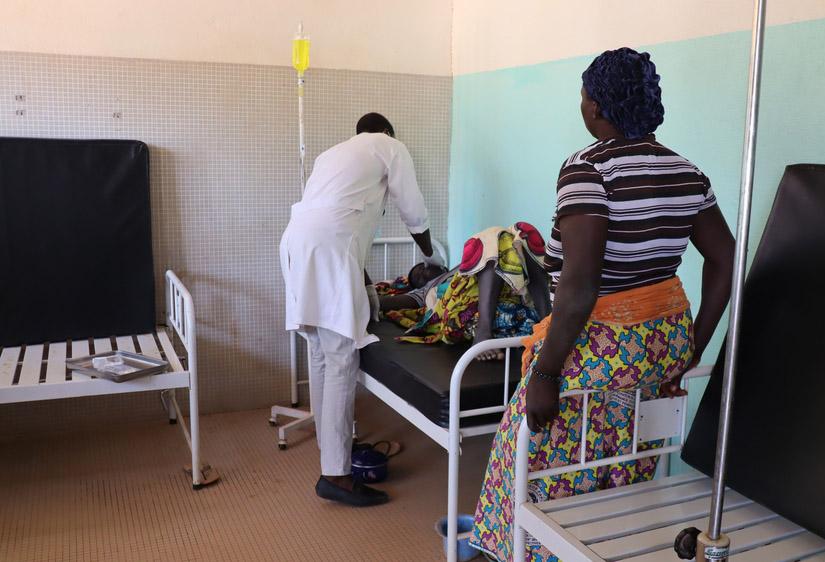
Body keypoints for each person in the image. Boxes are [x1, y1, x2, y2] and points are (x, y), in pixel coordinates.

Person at [469, 48, 736, 561]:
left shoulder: (587, 171)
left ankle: (520, 552)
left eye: (584, 96)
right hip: (660, 348)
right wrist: (690, 350)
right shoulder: (688, 172)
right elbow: (725, 261)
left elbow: (580, 285)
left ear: (596, 107)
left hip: (601, 348)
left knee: (520, 457)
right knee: (615, 455)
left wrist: (546, 375)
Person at [279, 112, 445, 508]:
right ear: (387, 131)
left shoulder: (332, 156)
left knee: (321, 354)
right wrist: (430, 255)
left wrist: (366, 287)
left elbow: (345, 228)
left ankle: (331, 448)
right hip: (329, 250)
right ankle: (335, 474)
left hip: (297, 245)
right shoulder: (390, 147)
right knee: (340, 360)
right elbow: (414, 210)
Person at [377, 223, 552, 360]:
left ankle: (547, 322)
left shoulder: (466, 265)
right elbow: (383, 303)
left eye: (422, 268)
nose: (422, 272)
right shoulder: (425, 291)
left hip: (513, 289)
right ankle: (485, 330)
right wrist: (364, 297)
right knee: (496, 237)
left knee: (519, 236)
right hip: (462, 302)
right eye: (417, 276)